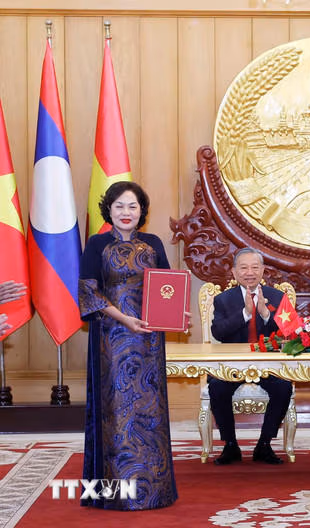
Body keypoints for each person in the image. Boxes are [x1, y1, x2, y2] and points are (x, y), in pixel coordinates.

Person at [78, 181, 178, 510]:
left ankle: (154, 491)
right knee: (115, 411)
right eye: (119, 205)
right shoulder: (97, 244)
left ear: (141, 211)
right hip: (111, 339)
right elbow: (89, 292)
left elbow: (167, 287)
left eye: (132, 206)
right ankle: (113, 494)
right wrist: (124, 319)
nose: (126, 212)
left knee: (149, 410)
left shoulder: (153, 243)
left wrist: (177, 312)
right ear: (108, 210)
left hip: (148, 338)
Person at [209, 247, 293, 465]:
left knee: (283, 387)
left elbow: (290, 332)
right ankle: (230, 445)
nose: (249, 273)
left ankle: (264, 444)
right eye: (244, 268)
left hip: (268, 363)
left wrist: (265, 314)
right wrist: (245, 313)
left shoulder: (278, 297)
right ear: (234, 272)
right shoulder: (223, 300)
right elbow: (218, 332)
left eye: (255, 267)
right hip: (233, 363)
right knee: (217, 387)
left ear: (263, 270)